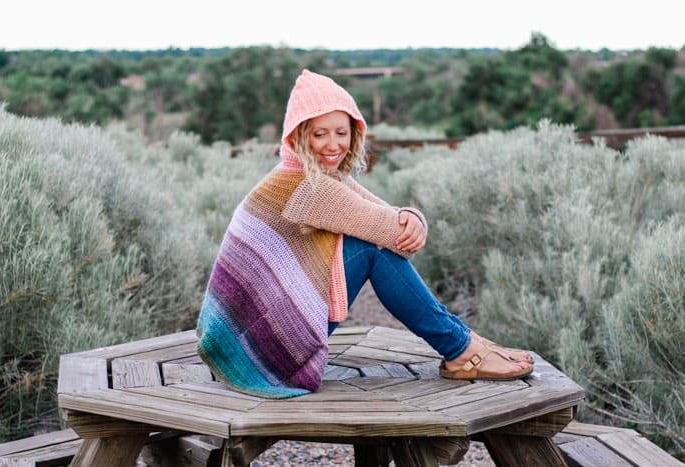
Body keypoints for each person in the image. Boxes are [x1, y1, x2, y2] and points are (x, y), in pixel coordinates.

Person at [196, 69, 533, 398]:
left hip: (245, 343)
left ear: (354, 133)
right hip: (267, 352)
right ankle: (460, 348)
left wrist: (413, 217)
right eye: (320, 134)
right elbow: (392, 234)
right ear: (299, 136)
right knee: (373, 249)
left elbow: (388, 217)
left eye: (341, 133)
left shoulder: (311, 175)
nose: (333, 144)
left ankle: (460, 343)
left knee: (372, 243)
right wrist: (409, 220)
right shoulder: (308, 187)